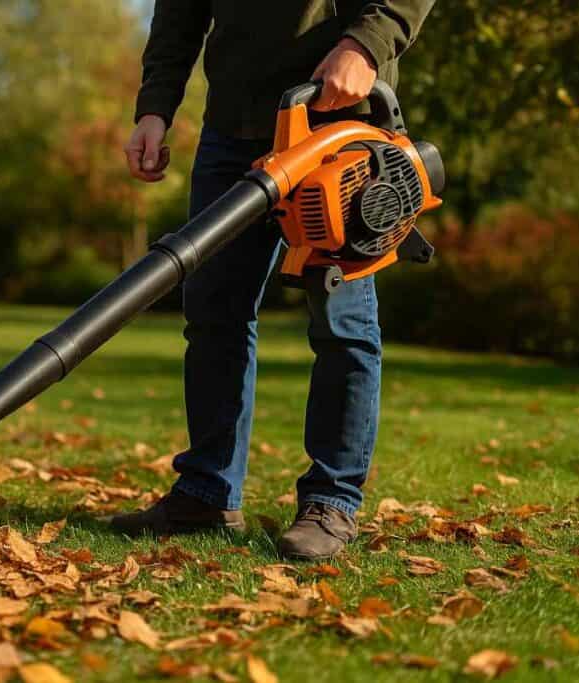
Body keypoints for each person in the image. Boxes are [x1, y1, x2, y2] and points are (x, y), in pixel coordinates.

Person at [111, 1, 435, 560]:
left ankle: (332, 501)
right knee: (214, 314)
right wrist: (155, 107)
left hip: (338, 116)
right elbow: (178, 13)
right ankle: (207, 492)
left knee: (342, 319)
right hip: (234, 124)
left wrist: (365, 44)